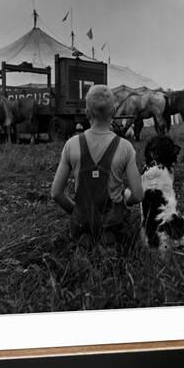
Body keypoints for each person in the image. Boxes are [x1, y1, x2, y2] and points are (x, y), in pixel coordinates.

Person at [51, 85, 144, 247]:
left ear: (87, 113)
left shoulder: (71, 145)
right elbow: (137, 194)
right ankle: (108, 241)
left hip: (81, 223)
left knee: (82, 241)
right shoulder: (125, 147)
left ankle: (85, 240)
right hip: (114, 224)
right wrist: (126, 197)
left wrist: (76, 211)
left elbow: (56, 193)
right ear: (114, 112)